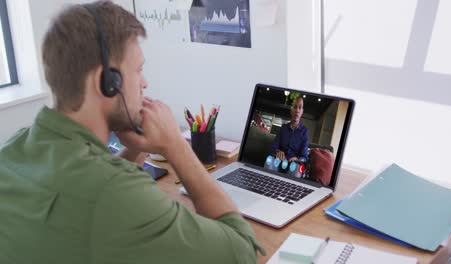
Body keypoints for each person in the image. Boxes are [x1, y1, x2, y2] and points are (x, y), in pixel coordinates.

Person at [0, 1, 263, 263]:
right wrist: (175, 146)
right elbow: (243, 251)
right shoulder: (115, 194)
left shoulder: (13, 151)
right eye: (138, 70)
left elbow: (91, 185)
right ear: (107, 82)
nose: (145, 82)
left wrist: (138, 146)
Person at [271, 97, 309, 162]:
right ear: (291, 110)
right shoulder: (283, 128)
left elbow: (304, 157)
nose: (297, 110)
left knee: (295, 171)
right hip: (279, 161)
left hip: (294, 164)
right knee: (269, 162)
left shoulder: (304, 132)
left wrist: (297, 159)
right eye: (295, 107)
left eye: (300, 107)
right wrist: (277, 152)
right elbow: (273, 148)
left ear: (302, 112)